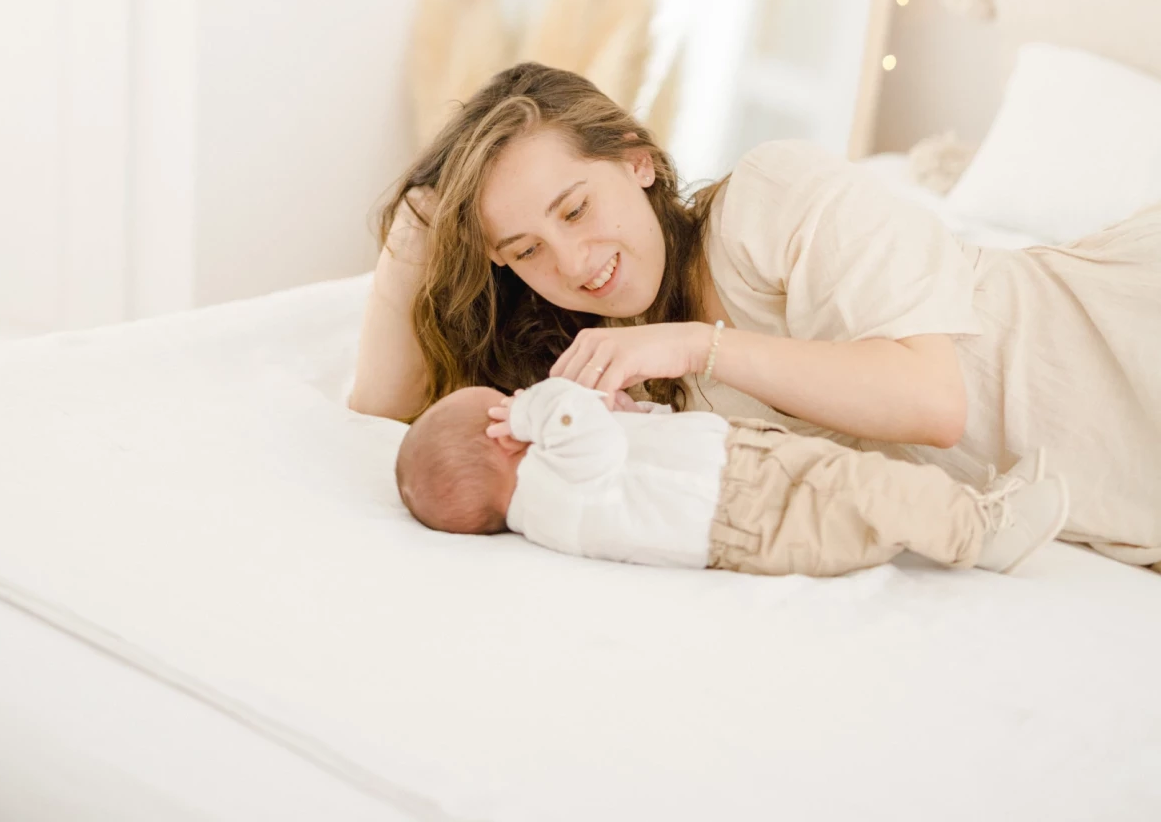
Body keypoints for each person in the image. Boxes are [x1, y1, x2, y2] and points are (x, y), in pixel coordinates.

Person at [351, 62, 1161, 569]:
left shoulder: (771, 201)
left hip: (1117, 335)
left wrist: (703, 346)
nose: (569, 265)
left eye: (574, 209)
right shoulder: (614, 363)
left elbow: (932, 403)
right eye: (524, 251)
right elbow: (385, 415)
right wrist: (421, 223)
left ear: (637, 160)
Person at [393, 377, 1068, 577]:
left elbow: (622, 446)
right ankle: (981, 532)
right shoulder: (548, 487)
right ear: (501, 441)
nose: (521, 397)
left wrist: (632, 413)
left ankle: (958, 518)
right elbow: (581, 429)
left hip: (742, 499)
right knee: (867, 490)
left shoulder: (559, 491)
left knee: (860, 492)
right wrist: (539, 406)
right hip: (746, 499)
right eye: (505, 401)